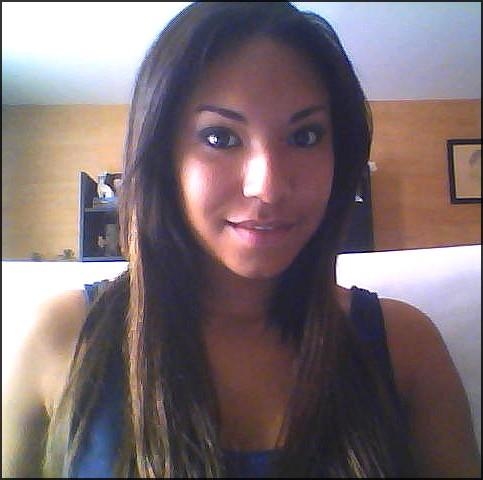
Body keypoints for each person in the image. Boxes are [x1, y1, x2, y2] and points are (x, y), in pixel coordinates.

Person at [2, 2, 480, 478]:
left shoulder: (405, 345)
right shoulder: (60, 339)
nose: (267, 187)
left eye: (306, 136)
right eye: (220, 138)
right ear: (164, 156)